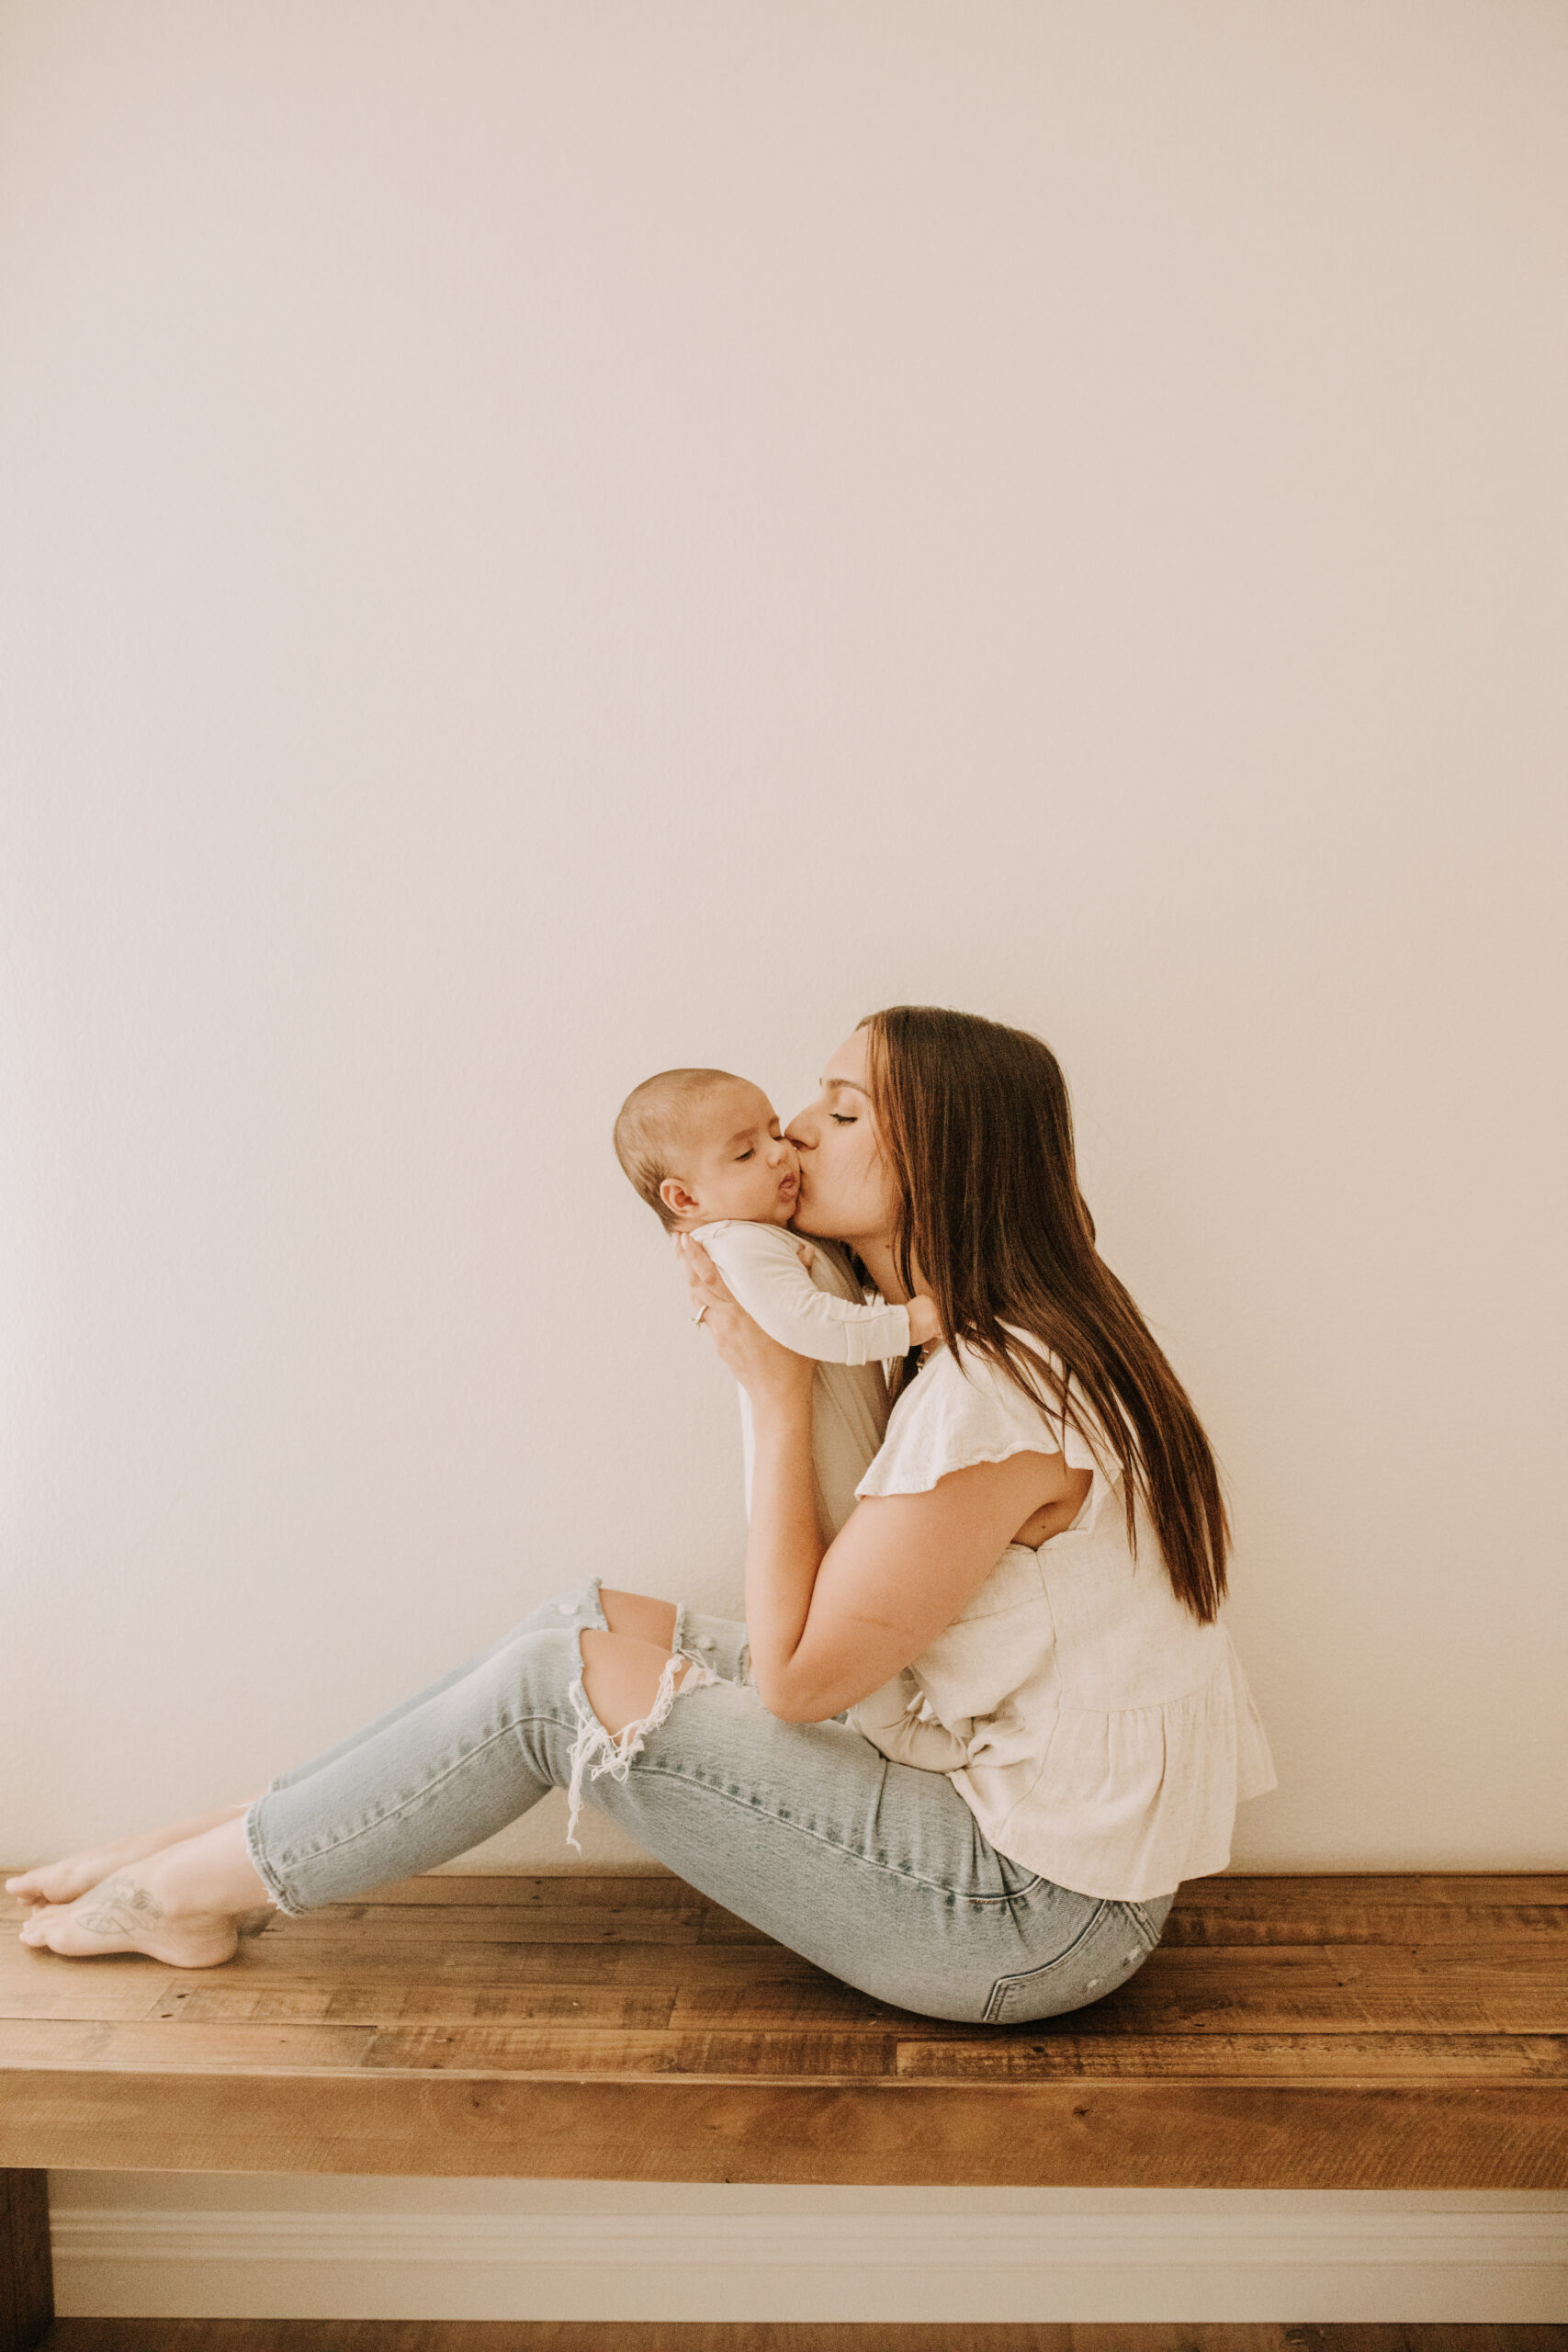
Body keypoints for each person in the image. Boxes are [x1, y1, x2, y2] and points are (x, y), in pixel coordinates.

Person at [8, 1006, 1275, 2026]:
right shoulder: (998, 1346)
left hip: (1026, 1925)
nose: (790, 1129)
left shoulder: (991, 1392)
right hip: (1011, 1859)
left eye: (840, 1113)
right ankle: (191, 1847)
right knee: (589, 1621)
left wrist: (774, 1399)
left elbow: (794, 1682)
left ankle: (184, 1891)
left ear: (942, 1156)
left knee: (558, 1685)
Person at [612, 1062, 965, 1769]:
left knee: (858, 1588)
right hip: (819, 1456)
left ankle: (884, 1705)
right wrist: (912, 1322)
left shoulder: (765, 1234)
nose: (780, 1152)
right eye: (746, 1152)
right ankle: (886, 1722)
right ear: (685, 1196)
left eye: (773, 1132)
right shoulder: (736, 1242)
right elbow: (809, 1324)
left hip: (837, 1432)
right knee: (842, 1588)